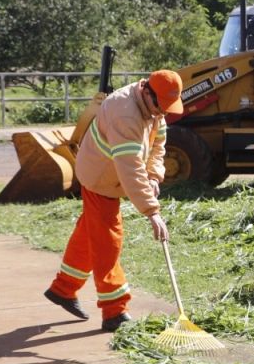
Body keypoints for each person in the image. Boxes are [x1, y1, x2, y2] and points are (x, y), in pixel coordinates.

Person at [43, 70, 183, 332]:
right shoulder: (125, 113)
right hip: (99, 179)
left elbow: (157, 146)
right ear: (146, 92)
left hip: (112, 176)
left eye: (166, 109)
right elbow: (129, 168)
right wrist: (152, 212)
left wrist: (154, 176)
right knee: (108, 239)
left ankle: (64, 288)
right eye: (159, 108)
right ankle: (115, 312)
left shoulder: (154, 109)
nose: (162, 114)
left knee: (90, 232)